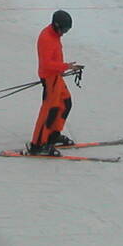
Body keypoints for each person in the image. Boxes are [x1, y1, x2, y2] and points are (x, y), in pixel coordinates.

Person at [28, 9, 83, 154]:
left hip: (56, 76)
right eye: (64, 30)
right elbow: (46, 64)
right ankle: (37, 145)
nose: (64, 33)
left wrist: (63, 68)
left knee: (65, 103)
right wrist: (66, 66)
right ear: (56, 25)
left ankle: (52, 136)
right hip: (49, 78)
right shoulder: (46, 38)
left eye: (67, 30)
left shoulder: (55, 34)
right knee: (49, 111)